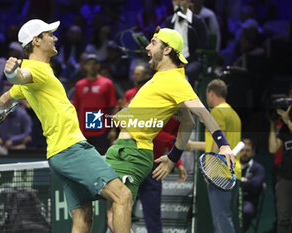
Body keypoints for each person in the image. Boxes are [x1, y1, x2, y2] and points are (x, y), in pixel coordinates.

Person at [0, 19, 132, 233]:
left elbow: (5, 98)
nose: (55, 37)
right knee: (122, 195)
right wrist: (11, 73)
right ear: (36, 40)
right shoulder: (35, 70)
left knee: (83, 220)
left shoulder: (39, 75)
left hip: (58, 154)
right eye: (50, 34)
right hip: (71, 149)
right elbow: (20, 77)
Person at [104, 27, 236, 232]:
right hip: (123, 149)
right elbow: (188, 123)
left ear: (167, 50)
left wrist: (224, 145)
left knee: (116, 209)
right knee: (111, 213)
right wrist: (173, 156)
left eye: (153, 43)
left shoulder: (175, 80)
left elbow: (202, 114)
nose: (147, 47)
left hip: (132, 152)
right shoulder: (161, 79)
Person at [121, 64, 187, 233]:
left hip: (154, 165)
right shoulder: (132, 97)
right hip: (132, 163)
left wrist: (177, 161)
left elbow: (174, 138)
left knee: (153, 216)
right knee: (121, 211)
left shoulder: (176, 110)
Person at [186, 79, 242, 233]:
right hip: (233, 172)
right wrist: (192, 145)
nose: (207, 99)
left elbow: (218, 142)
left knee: (220, 219)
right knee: (224, 217)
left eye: (206, 95)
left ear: (211, 93)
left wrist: (209, 167)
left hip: (219, 173)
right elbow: (223, 144)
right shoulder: (233, 114)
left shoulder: (217, 112)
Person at [73, 53, 118, 155]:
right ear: (85, 66)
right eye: (89, 63)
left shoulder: (107, 83)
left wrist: (113, 129)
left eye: (94, 63)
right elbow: (75, 109)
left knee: (101, 158)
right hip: (82, 131)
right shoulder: (79, 85)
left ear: (98, 66)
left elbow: (114, 107)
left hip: (102, 131)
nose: (92, 66)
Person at [164, 0, 208, 85]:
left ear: (188, 2)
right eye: (175, 0)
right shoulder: (169, 22)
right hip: (172, 61)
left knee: (189, 71)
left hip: (192, 61)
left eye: (181, 0)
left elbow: (203, 46)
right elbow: (165, 44)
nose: (177, 3)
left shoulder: (198, 22)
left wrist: (184, 61)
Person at [269, 104, 292, 233]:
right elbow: (273, 148)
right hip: (285, 178)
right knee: (283, 220)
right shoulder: (285, 129)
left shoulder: (288, 124)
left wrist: (287, 120)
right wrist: (272, 125)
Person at [240, 138, 265, 232]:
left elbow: (256, 185)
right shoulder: (233, 166)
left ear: (253, 152)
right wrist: (245, 182)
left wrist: (239, 182)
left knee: (247, 211)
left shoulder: (258, 168)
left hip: (249, 202)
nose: (244, 153)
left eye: (247, 150)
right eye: (242, 150)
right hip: (232, 200)